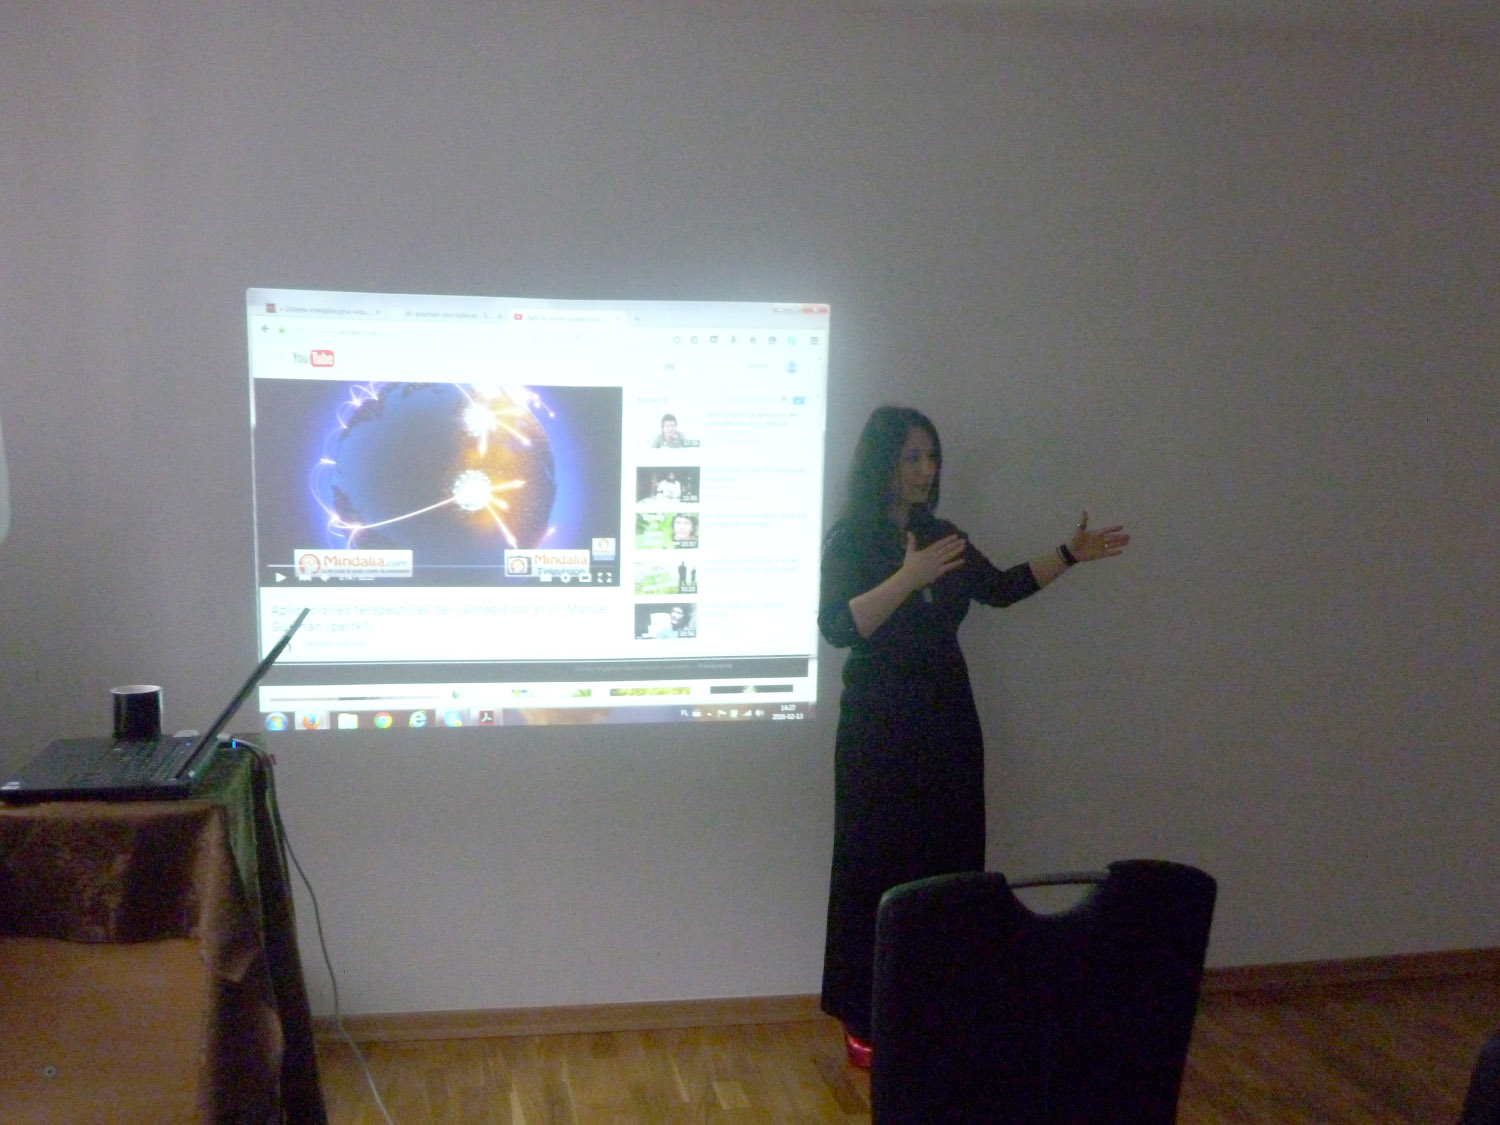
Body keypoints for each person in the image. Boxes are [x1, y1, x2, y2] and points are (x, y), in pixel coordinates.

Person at [818, 405, 1128, 1069]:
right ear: (881, 462)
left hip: (947, 721)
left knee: (949, 864)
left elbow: (1001, 588)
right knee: (875, 866)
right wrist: (909, 577)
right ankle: (866, 1019)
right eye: (912, 457)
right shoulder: (851, 538)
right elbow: (839, 626)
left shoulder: (944, 535)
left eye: (932, 457)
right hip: (879, 728)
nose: (926, 470)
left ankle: (937, 1009)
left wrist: (1069, 554)